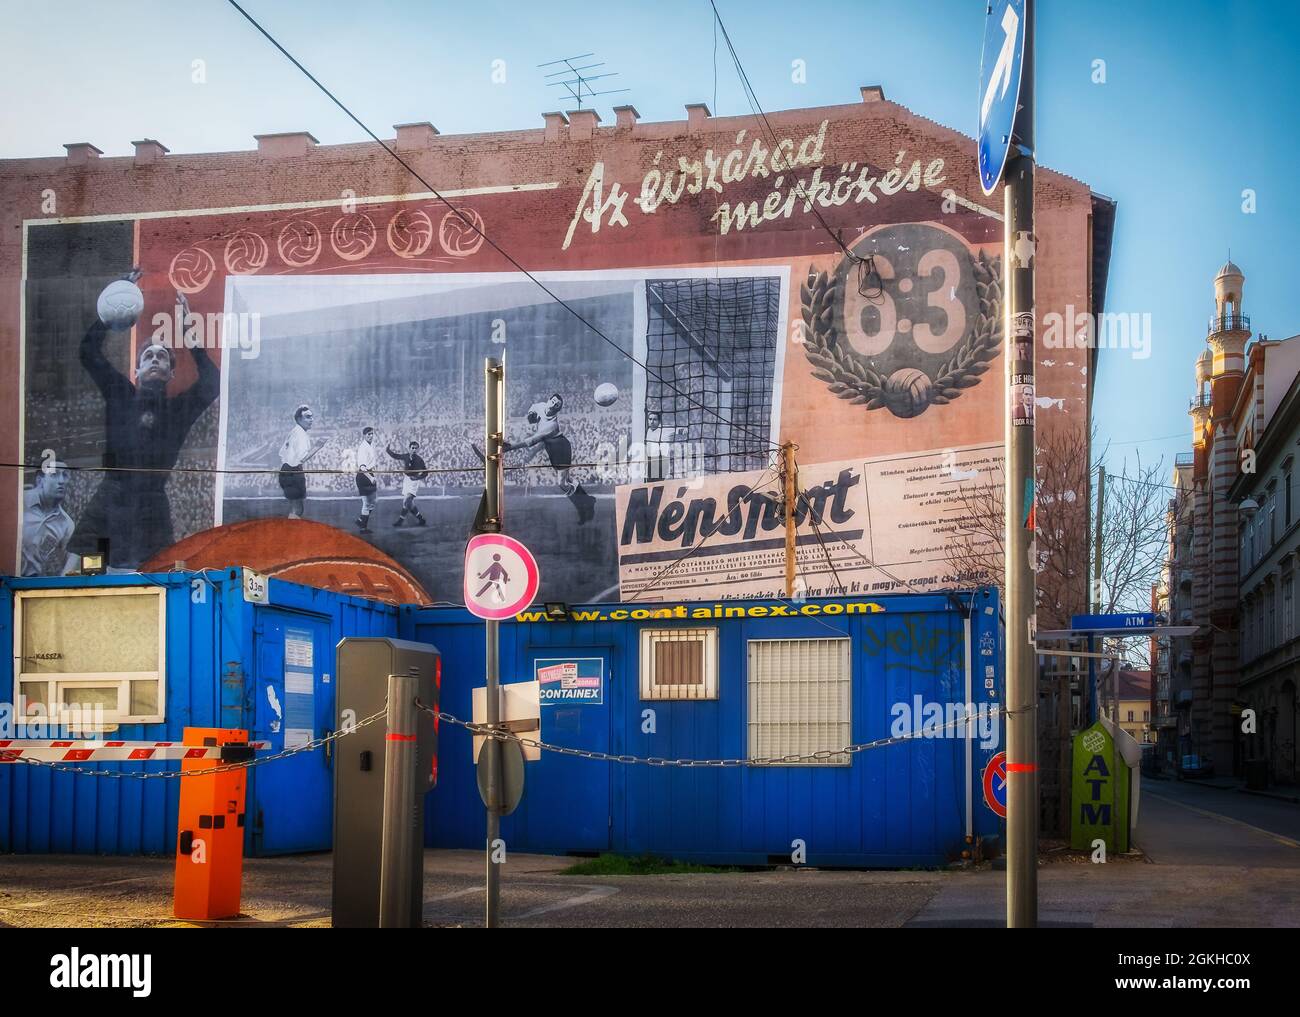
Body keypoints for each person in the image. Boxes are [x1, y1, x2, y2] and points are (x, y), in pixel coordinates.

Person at [70, 280, 219, 569]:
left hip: (151, 507)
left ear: (171, 372)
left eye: (161, 356)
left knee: (155, 576)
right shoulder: (120, 392)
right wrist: (109, 315)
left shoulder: (179, 410)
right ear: (137, 370)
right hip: (110, 500)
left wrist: (189, 333)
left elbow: (211, 383)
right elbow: (88, 352)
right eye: (147, 356)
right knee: (84, 572)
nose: (154, 359)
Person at [503, 393, 596, 524]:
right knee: (567, 480)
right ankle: (588, 501)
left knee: (562, 483)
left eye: (556, 405)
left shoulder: (551, 426)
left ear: (557, 409)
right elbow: (532, 409)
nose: (553, 404)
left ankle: (583, 507)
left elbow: (532, 440)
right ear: (548, 400)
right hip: (549, 446)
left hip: (560, 448)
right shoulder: (541, 406)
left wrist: (511, 447)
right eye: (552, 401)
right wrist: (530, 415)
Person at [22, 461, 77, 576]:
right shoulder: (19, 502)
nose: (61, 481)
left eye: (65, 475)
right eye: (54, 475)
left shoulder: (66, 524)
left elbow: (70, 565)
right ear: (39, 480)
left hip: (32, 586)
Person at [278, 405, 317, 518]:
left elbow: (281, 453)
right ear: (299, 419)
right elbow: (302, 458)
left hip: (286, 470)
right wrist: (317, 448)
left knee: (295, 507)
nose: (312, 419)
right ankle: (291, 533)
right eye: (308, 417)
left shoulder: (294, 431)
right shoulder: (301, 435)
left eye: (312, 416)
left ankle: (291, 530)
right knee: (298, 508)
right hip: (293, 471)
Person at [386, 438, 428, 526]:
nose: (414, 450)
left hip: (414, 481)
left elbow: (425, 472)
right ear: (409, 448)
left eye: (416, 448)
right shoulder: (405, 456)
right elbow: (395, 456)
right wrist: (387, 449)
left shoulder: (419, 460)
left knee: (407, 501)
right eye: (412, 448)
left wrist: (417, 478)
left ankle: (400, 521)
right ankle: (421, 519)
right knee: (408, 503)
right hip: (406, 480)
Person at [354, 426, 379, 532]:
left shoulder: (370, 445)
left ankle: (361, 520)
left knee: (373, 501)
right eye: (368, 434)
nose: (371, 436)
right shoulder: (363, 448)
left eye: (372, 434)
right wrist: (370, 477)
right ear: (364, 436)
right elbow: (362, 467)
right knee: (367, 503)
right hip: (364, 475)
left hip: (370, 474)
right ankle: (363, 527)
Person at [644, 410, 678, 482]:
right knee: (650, 484)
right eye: (650, 419)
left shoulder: (664, 429)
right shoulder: (648, 430)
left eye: (654, 419)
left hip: (661, 461)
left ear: (659, 421)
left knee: (659, 485)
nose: (652, 421)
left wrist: (683, 431)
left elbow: (678, 429)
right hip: (651, 461)